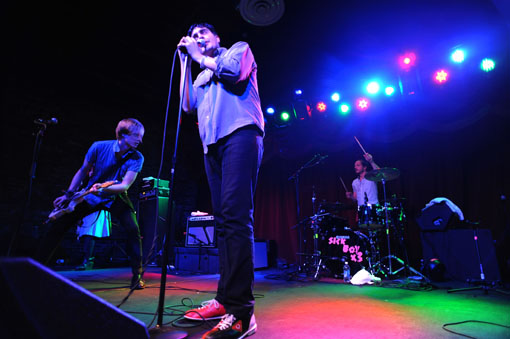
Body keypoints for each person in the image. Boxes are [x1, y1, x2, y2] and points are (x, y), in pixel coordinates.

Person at [177, 22, 264, 339]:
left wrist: (198, 54)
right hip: (211, 146)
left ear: (217, 38)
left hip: (240, 135)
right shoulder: (200, 71)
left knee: (237, 218)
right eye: (194, 35)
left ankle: (242, 313)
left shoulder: (238, 51)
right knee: (224, 222)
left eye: (203, 34)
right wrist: (187, 61)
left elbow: (232, 74)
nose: (197, 38)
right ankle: (225, 299)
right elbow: (187, 106)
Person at [35, 118, 146, 290]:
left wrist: (103, 189)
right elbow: (82, 171)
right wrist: (69, 194)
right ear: (123, 135)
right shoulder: (98, 147)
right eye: (137, 135)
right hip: (90, 195)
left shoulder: (137, 157)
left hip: (115, 196)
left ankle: (136, 276)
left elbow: (125, 185)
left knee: (133, 230)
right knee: (59, 225)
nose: (140, 140)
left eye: (141, 136)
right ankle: (37, 269)